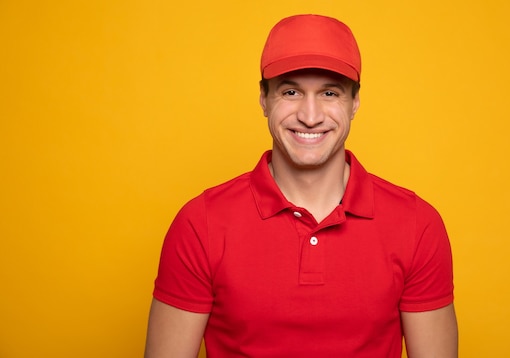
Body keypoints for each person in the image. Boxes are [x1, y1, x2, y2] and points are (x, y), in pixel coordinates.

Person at [145, 14, 457, 358]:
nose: (310, 115)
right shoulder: (200, 223)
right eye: (291, 91)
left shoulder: (416, 224)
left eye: (329, 92)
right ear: (264, 99)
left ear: (354, 102)